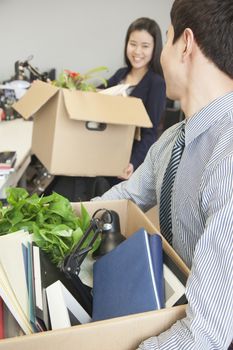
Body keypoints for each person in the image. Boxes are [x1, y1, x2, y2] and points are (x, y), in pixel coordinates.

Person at [92, 0, 233, 349]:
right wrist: (60, 217)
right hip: (172, 311)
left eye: (165, 39)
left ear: (184, 44)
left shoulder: (227, 156)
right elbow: (125, 197)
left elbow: (205, 336)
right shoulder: (173, 139)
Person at [105, 17, 166, 182]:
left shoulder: (156, 83)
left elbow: (151, 133)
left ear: (155, 48)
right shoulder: (120, 75)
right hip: (105, 153)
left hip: (127, 166)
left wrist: (133, 162)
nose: (137, 51)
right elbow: (98, 98)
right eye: (133, 44)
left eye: (145, 46)